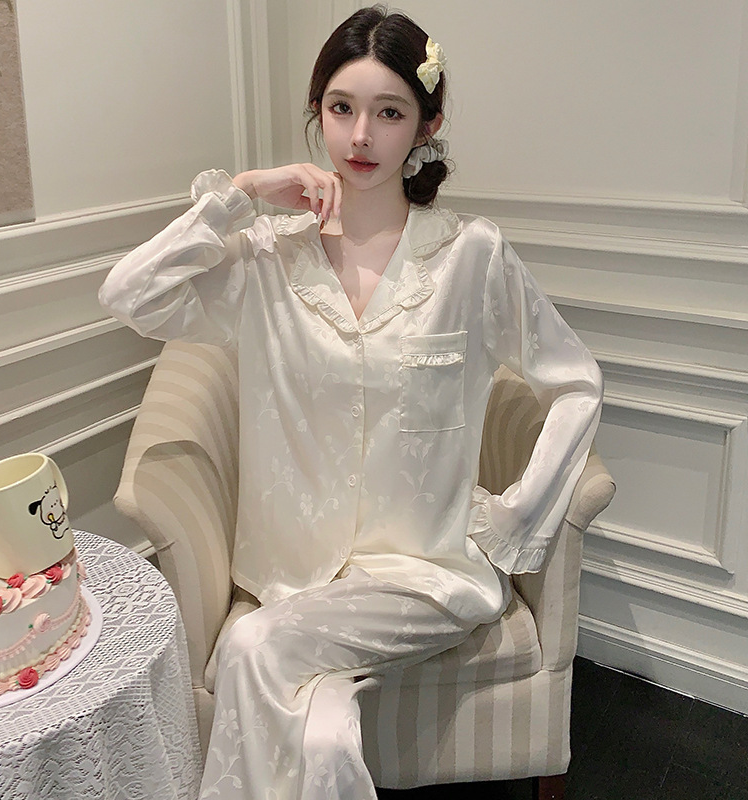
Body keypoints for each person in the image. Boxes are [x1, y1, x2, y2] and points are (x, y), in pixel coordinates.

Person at [99, 5, 603, 799]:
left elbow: (576, 381)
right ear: (319, 112)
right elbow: (129, 294)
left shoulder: (471, 257)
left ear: (427, 125)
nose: (360, 136)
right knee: (322, 730)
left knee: (253, 649)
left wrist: (515, 518)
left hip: (427, 575)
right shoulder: (267, 261)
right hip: (293, 576)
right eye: (342, 108)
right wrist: (242, 194)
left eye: (389, 112)